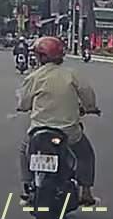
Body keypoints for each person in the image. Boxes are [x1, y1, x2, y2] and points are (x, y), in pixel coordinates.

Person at [16, 36, 98, 205]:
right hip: (68, 131)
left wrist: (26, 107)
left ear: (41, 57)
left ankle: (27, 186)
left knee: (25, 150)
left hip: (39, 131)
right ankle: (86, 192)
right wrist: (90, 107)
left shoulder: (34, 77)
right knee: (85, 155)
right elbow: (87, 94)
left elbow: (23, 104)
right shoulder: (71, 74)